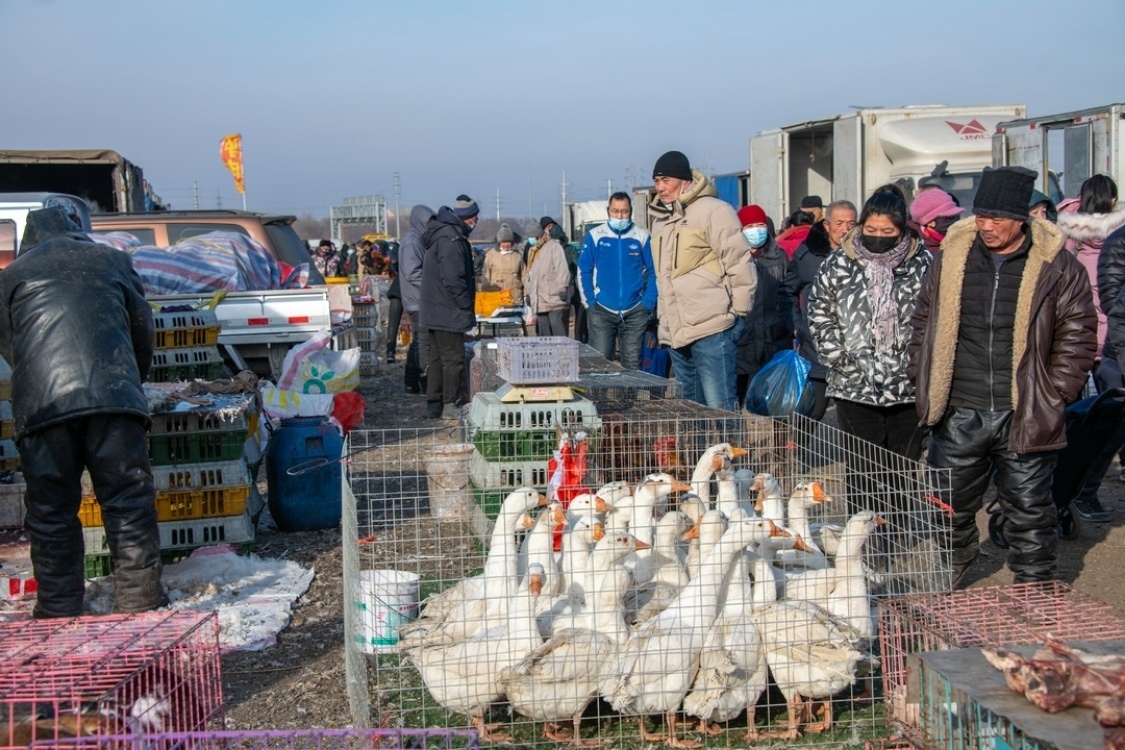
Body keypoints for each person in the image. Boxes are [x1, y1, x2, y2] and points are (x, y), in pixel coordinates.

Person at [909, 166, 1097, 587]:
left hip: (1024, 409)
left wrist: (1055, 392)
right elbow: (924, 322)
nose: (987, 226)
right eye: (981, 216)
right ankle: (955, 559)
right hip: (959, 406)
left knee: (1030, 508)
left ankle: (1034, 584)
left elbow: (1079, 334)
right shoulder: (951, 260)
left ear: (1022, 219)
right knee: (946, 504)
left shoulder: (1058, 266)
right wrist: (920, 374)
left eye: (998, 219)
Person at [0, 207, 165, 617]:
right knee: (127, 502)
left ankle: (59, 608)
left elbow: (10, 345)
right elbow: (142, 329)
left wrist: (34, 382)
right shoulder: (113, 260)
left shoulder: (11, 275)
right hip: (113, 398)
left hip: (44, 407)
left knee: (51, 510)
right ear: (77, 232)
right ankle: (140, 603)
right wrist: (128, 382)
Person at [808, 190, 932, 458]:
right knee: (863, 467)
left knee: (903, 467)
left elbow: (937, 316)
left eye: (887, 230)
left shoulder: (923, 264)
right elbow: (819, 309)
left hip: (907, 386)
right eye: (871, 228)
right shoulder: (839, 262)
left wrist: (921, 364)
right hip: (854, 384)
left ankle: (900, 503)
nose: (877, 235)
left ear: (901, 229)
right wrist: (838, 358)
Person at [648, 150, 756, 411]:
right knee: (691, 408)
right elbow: (663, 276)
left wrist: (739, 313)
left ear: (684, 179)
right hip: (676, 330)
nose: (660, 188)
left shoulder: (714, 210)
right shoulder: (660, 221)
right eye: (656, 182)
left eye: (666, 180)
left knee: (720, 404)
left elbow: (739, 262)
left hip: (711, 326)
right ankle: (701, 453)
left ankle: (728, 451)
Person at [1056, 175, 1125, 520]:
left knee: (1080, 415)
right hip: (1111, 337)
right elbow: (1114, 297)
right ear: (1112, 201)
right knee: (1108, 419)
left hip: (1078, 333)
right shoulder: (1119, 236)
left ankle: (1067, 484)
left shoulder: (1067, 233)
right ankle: (1080, 489)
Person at [778, 199, 857, 421]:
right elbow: (787, 292)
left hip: (853, 352)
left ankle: (857, 457)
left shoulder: (864, 256)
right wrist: (797, 325)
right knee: (810, 413)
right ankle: (797, 454)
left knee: (854, 421)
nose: (845, 229)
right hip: (816, 349)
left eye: (851, 223)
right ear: (827, 224)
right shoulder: (807, 255)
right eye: (839, 223)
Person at [578, 192, 656, 369]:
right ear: (608, 211)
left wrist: (648, 302)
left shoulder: (642, 237)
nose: (620, 216)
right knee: (600, 363)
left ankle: (630, 397)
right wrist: (589, 301)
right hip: (602, 310)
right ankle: (599, 397)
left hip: (635, 310)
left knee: (633, 363)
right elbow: (584, 270)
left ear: (631, 211)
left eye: (624, 212)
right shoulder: (595, 236)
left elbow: (654, 272)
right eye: (615, 211)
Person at [420, 196, 478, 420]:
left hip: (435, 309)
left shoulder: (442, 234)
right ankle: (450, 404)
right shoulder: (451, 239)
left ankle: (434, 404)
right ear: (466, 217)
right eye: (475, 216)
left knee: (436, 358)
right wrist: (465, 307)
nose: (477, 220)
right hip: (448, 310)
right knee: (453, 358)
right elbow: (454, 280)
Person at [734, 204, 790, 405]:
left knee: (775, 399)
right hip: (741, 339)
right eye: (750, 226)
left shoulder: (779, 256)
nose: (756, 230)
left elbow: (787, 293)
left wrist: (788, 324)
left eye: (760, 225)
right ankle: (734, 435)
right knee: (734, 397)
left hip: (773, 337)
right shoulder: (733, 258)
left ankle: (779, 436)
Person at [399, 205, 434, 394]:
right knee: (424, 343)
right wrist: (434, 286)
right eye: (428, 222)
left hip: (416, 299)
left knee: (418, 342)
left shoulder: (418, 239)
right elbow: (413, 273)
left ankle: (411, 382)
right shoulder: (413, 242)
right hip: (417, 300)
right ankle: (425, 381)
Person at [524, 216, 571, 336]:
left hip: (553, 294)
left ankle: (563, 351)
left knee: (556, 325)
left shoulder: (554, 247)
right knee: (543, 329)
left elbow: (562, 268)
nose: (531, 240)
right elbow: (529, 275)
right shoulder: (532, 251)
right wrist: (528, 293)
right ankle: (546, 353)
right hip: (538, 297)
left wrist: (562, 287)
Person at [907, 187, 963, 254]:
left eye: (955, 215)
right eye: (948, 217)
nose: (954, 221)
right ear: (929, 222)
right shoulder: (914, 248)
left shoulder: (959, 242)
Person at [482, 223, 524, 303]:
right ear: (499, 242)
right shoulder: (491, 255)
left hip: (516, 297)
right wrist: (486, 291)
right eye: (503, 242)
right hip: (498, 297)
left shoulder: (517, 255)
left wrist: (527, 293)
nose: (506, 245)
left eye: (508, 242)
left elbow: (524, 275)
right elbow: (486, 274)